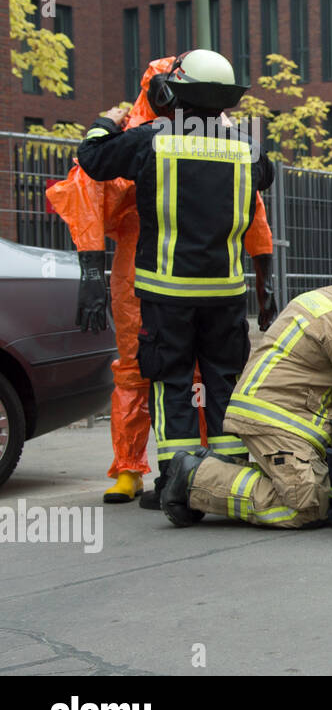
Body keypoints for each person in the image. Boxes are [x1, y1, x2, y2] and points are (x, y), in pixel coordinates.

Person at [75, 50, 275, 503]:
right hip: (225, 293)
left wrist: (105, 122)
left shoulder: (151, 140)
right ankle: (227, 479)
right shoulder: (246, 147)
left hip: (166, 293)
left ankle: (177, 483)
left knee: (173, 382)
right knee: (224, 379)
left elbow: (92, 159)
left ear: (170, 92)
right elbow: (267, 177)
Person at [158, 247, 332, 528]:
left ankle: (213, 471)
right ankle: (195, 477)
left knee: (325, 484)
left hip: (281, 410)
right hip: (279, 417)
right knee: (306, 503)